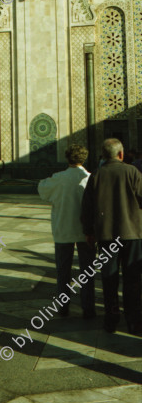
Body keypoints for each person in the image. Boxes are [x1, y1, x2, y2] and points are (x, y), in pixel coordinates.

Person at [81, 138, 142, 335]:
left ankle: (111, 319)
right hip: (132, 234)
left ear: (103, 155)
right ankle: (133, 321)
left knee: (109, 277)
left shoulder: (96, 175)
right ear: (121, 154)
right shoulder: (132, 172)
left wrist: (89, 232)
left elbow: (87, 207)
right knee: (132, 279)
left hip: (107, 237)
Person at [38, 145, 95, 319]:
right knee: (87, 271)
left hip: (63, 230)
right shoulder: (89, 179)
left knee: (63, 271)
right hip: (86, 232)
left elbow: (42, 189)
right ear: (84, 159)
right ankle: (88, 308)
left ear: (67, 158)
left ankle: (63, 307)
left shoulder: (59, 178)